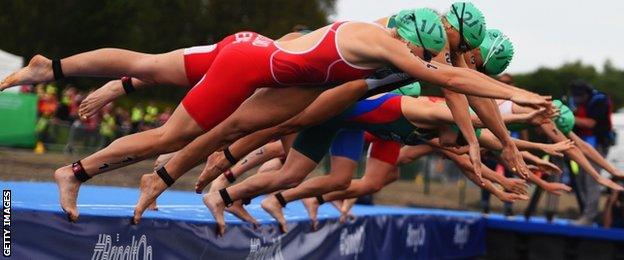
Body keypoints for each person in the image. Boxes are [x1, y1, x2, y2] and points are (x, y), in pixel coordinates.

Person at [568, 79, 615, 225]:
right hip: (582, 145)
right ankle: (585, 213)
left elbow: (591, 123)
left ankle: (589, 217)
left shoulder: (599, 100)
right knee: (580, 180)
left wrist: (567, 118)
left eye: (580, 95)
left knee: (592, 180)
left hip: (598, 145)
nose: (577, 99)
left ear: (587, 93)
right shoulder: (574, 102)